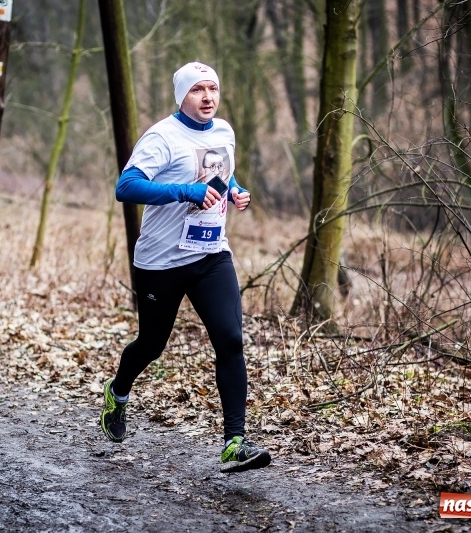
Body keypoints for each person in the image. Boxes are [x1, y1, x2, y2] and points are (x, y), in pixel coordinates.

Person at [100, 61, 271, 473]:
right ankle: (118, 392)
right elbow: (126, 187)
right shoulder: (162, 137)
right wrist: (185, 192)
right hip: (162, 261)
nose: (208, 97)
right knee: (152, 344)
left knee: (230, 340)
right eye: (198, 90)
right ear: (182, 96)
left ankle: (234, 442)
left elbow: (223, 175)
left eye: (213, 88)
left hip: (211, 254)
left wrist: (236, 191)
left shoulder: (224, 131)